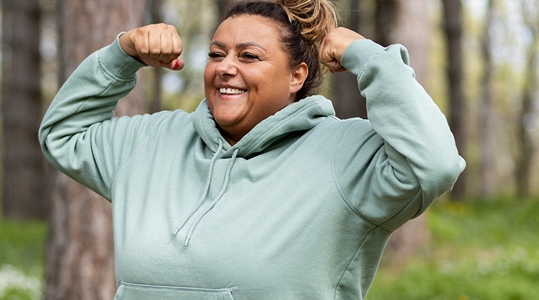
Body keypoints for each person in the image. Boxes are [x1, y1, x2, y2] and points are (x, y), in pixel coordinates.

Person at [39, 0, 465, 299]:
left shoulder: (345, 155)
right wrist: (121, 56)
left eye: (249, 56)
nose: (226, 67)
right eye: (217, 53)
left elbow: (434, 164)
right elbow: (64, 134)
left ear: (297, 76)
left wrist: (371, 59)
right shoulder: (152, 141)